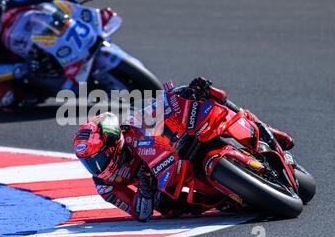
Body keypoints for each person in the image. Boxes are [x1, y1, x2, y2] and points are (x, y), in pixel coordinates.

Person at [72, 77, 294, 222]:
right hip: (168, 186)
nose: (95, 167)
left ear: (114, 145)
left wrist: (185, 93)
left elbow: (161, 107)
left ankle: (265, 130)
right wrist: (146, 191)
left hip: (174, 153)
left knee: (212, 101)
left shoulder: (130, 129)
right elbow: (140, 213)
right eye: (88, 162)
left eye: (98, 157)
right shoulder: (105, 186)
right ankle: (226, 193)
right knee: (170, 209)